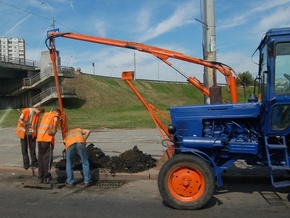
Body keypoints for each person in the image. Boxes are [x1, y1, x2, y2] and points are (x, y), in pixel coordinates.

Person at [16, 105, 45, 170]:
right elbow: (20, 120)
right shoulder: (26, 111)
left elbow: (35, 124)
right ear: (36, 108)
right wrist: (23, 123)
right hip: (24, 133)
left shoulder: (37, 115)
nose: (38, 113)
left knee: (32, 148)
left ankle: (34, 162)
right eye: (39, 111)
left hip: (31, 134)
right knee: (24, 149)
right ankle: (26, 163)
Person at [36, 108, 61, 183]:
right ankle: (46, 176)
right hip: (47, 139)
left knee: (40, 158)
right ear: (58, 113)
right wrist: (53, 129)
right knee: (47, 159)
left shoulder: (46, 114)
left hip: (40, 139)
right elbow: (56, 119)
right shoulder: (55, 116)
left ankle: (40, 177)